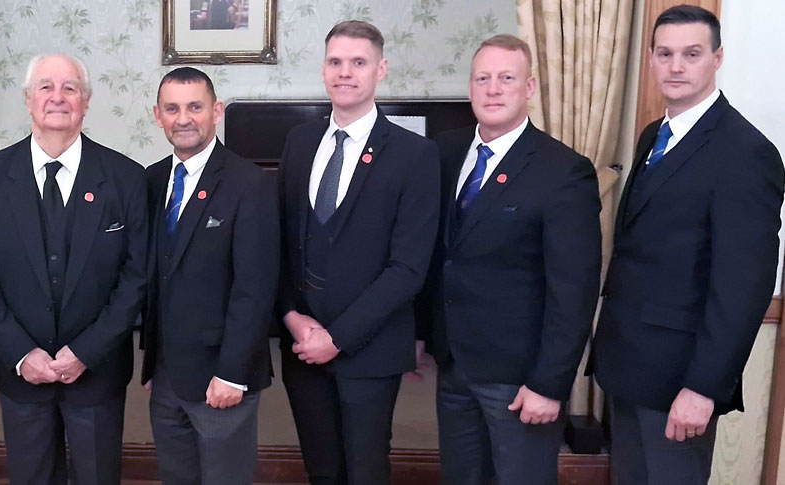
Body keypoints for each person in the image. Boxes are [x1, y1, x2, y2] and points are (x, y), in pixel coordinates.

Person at [590, 5, 784, 484]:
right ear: (653, 60)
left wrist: (702, 388)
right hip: (628, 366)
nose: (676, 66)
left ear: (717, 58)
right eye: (665, 53)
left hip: (682, 379)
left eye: (691, 54)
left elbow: (743, 286)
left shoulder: (745, 151)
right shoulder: (652, 136)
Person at [416, 34, 601, 485]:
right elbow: (436, 256)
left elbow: (573, 291)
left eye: (506, 78)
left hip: (521, 380)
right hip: (454, 366)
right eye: (483, 78)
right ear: (470, 87)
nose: (493, 89)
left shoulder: (563, 171)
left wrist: (549, 384)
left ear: (530, 87)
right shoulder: (444, 151)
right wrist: (421, 335)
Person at [0, 53, 149, 485]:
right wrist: (22, 353)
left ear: (86, 102)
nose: (58, 97)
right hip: (21, 370)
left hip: (97, 371)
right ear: (29, 100)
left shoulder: (125, 177)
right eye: (46, 87)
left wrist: (86, 352)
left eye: (70, 88)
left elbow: (135, 276)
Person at [275, 20, 441, 484]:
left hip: (370, 350)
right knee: (321, 470)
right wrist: (291, 316)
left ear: (380, 69)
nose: (344, 73)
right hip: (303, 347)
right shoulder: (299, 142)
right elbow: (283, 243)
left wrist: (339, 337)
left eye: (358, 62)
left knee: (365, 470)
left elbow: (408, 269)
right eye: (335, 62)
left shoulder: (415, 155)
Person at [141, 66, 278, 485]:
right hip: (165, 375)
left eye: (195, 107)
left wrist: (233, 373)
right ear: (158, 115)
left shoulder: (250, 183)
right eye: (172, 108)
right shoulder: (149, 180)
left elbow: (254, 288)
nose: (184, 118)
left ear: (216, 111)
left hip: (223, 376)